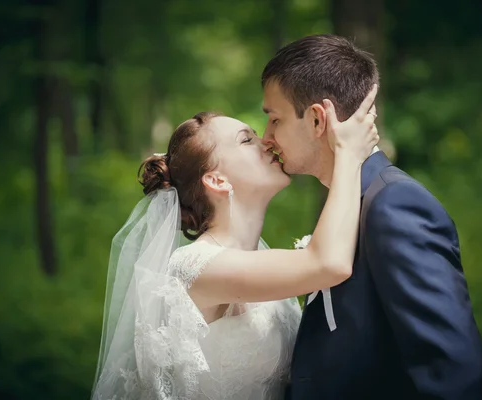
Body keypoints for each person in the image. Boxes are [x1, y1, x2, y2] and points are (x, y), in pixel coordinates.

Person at [90, 86, 379, 399]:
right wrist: (349, 156)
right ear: (217, 180)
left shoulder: (258, 259)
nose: (268, 141)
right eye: (247, 140)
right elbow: (328, 263)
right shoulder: (195, 267)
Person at [261, 34, 482, 399]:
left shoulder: (394, 204)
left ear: (318, 120)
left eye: (274, 119)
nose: (266, 136)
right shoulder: (348, 201)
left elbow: (450, 370)